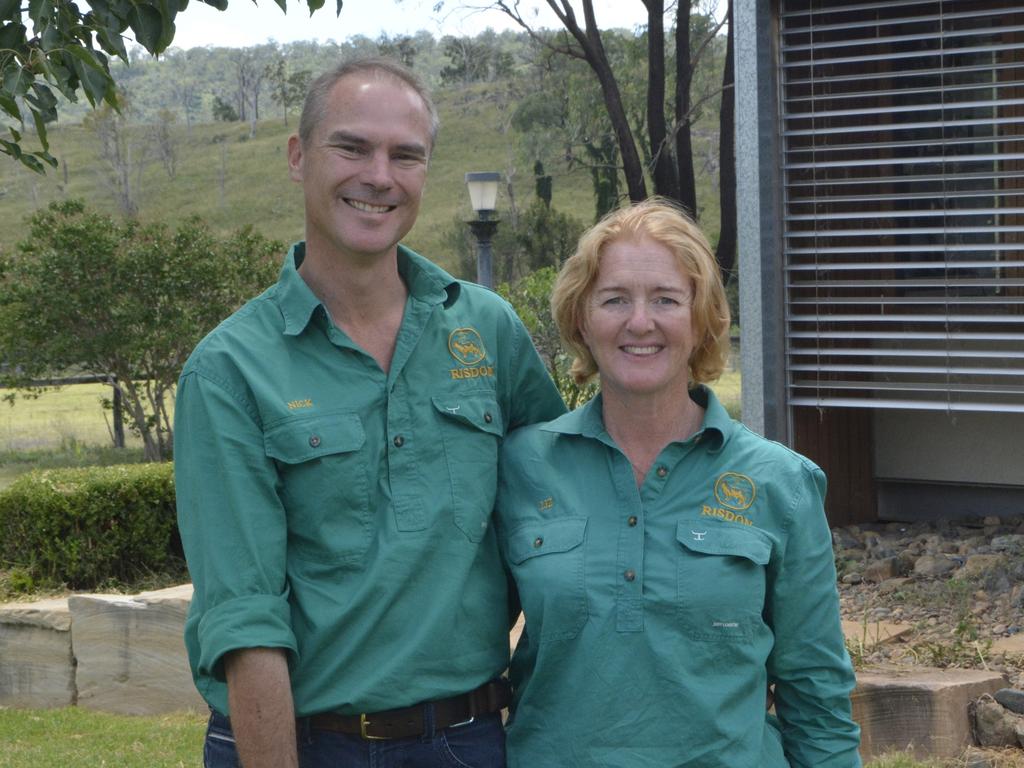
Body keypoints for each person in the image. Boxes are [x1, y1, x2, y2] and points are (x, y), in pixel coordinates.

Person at [174, 56, 566, 768]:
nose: (378, 176)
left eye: (405, 155)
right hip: (306, 741)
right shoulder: (230, 369)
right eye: (351, 147)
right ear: (299, 157)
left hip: (472, 737)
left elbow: (559, 520)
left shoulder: (487, 329)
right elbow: (245, 616)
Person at [495, 198, 861, 767]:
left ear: (702, 320)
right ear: (581, 319)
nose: (640, 322)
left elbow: (817, 697)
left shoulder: (781, 484)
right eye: (615, 299)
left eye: (666, 299)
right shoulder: (520, 468)